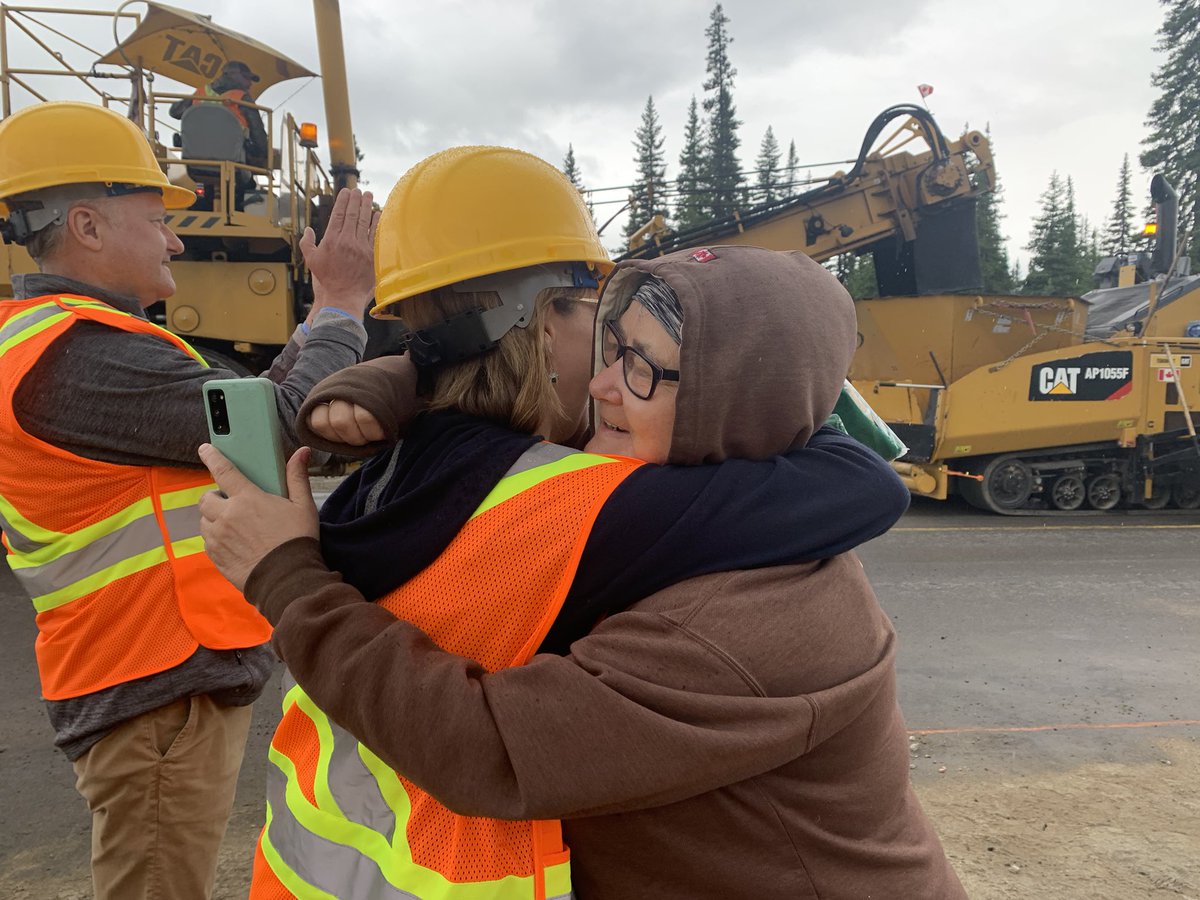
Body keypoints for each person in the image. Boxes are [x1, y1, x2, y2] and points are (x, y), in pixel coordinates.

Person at [198, 146, 954, 898]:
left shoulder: (758, 605)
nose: (599, 383)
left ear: (734, 395)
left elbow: (495, 748)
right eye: (608, 344)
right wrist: (393, 381)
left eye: (638, 366)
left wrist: (289, 575)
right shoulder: (663, 487)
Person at [0, 100, 376, 900]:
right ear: (87, 227)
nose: (175, 236)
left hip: (158, 682)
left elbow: (241, 418)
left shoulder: (82, 341)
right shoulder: (73, 355)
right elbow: (276, 425)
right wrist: (344, 304)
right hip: (155, 686)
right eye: (156, 216)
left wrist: (318, 318)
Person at [169, 59, 269, 169]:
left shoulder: (201, 93)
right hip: (232, 164)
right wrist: (260, 153)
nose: (250, 83)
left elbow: (174, 112)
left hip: (195, 162)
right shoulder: (242, 98)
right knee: (248, 183)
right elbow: (259, 136)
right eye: (246, 77)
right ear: (232, 74)